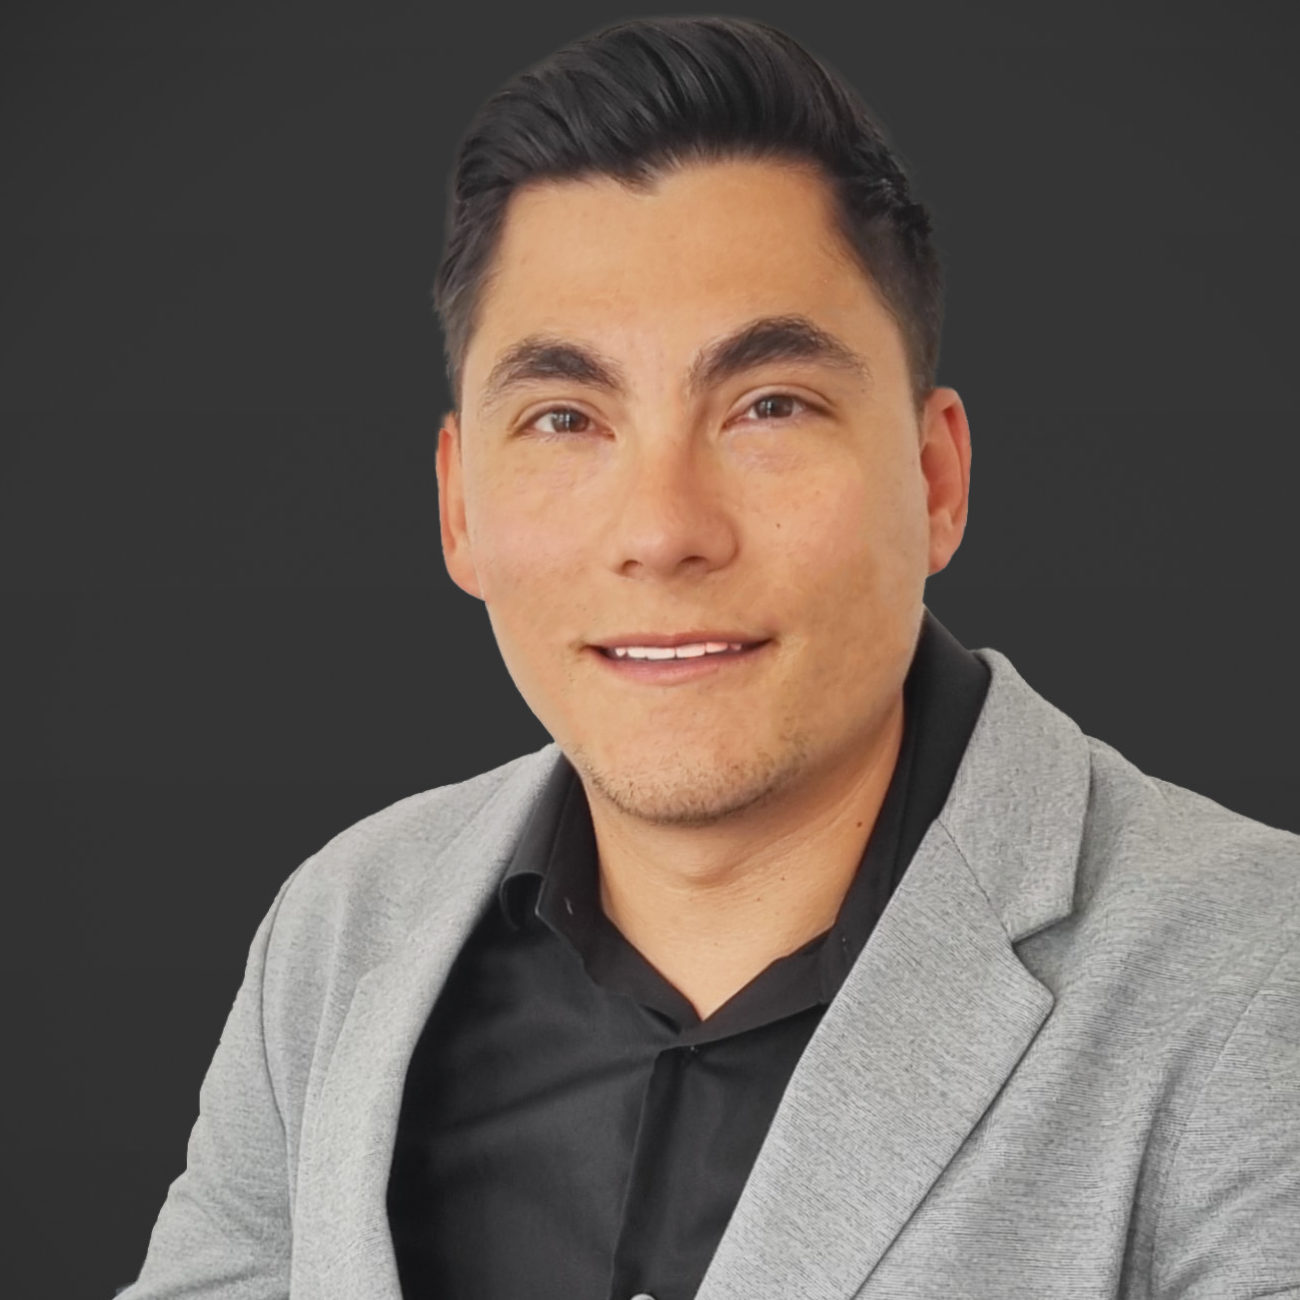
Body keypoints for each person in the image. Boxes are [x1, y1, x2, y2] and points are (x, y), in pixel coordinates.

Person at [116, 15, 1298, 1300]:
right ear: (458, 508)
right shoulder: (342, 930)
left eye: (767, 406)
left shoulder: (1255, 974)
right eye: (564, 417)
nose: (663, 529)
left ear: (936, 477)